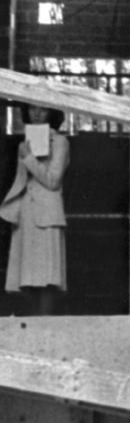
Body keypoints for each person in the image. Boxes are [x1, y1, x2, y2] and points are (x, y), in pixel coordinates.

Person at [1, 105, 69, 315]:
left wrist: (28, 158)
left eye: (43, 110)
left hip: (48, 215)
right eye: (32, 109)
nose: (37, 114)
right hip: (26, 216)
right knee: (26, 279)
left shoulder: (60, 142)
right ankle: (32, 326)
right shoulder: (25, 142)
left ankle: (45, 326)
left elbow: (52, 181)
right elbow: (22, 181)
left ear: (52, 114)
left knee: (47, 279)